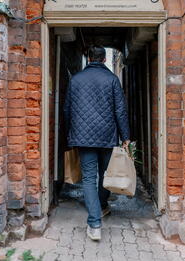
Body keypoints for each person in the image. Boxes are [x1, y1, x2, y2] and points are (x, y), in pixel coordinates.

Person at [64, 46, 130, 241]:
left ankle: (94, 224)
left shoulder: (75, 79)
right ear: (103, 60)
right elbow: (120, 110)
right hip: (107, 137)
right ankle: (101, 207)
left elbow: (67, 110)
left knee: (89, 177)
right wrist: (125, 136)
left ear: (89, 58)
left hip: (83, 137)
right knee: (106, 174)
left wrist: (68, 135)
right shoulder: (112, 80)